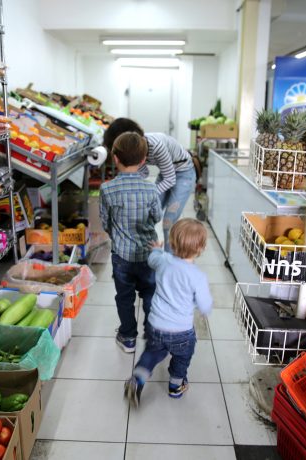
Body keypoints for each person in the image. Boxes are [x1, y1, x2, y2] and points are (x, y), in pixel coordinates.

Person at [124, 218, 213, 406]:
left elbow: (152, 258)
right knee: (182, 358)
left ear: (171, 243)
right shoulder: (197, 276)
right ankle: (175, 387)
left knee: (152, 353)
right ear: (201, 248)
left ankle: (138, 378)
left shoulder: (163, 261)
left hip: (156, 324)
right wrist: (202, 307)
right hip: (182, 331)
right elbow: (205, 305)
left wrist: (156, 249)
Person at [100, 132, 163, 353]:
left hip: (122, 257)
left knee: (124, 298)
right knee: (150, 294)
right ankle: (152, 333)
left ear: (114, 158)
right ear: (144, 159)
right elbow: (156, 217)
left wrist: (118, 234)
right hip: (149, 255)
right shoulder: (151, 188)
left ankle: (128, 337)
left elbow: (105, 221)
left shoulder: (107, 189)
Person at [103, 118, 196, 252]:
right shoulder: (135, 149)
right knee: (146, 215)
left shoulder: (156, 146)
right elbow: (144, 172)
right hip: (166, 172)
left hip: (183, 174)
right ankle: (147, 254)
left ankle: (169, 263)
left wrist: (147, 193)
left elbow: (170, 179)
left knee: (168, 222)